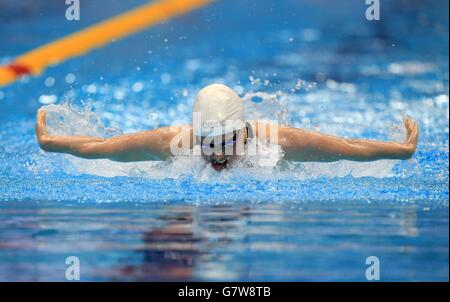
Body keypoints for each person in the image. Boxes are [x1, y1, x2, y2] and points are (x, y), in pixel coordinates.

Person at [36, 83, 419, 171]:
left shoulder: (279, 141)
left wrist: (399, 150)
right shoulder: (176, 142)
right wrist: (53, 143)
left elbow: (347, 147)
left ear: (244, 132)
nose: (218, 155)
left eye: (226, 143)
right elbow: (101, 147)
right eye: (209, 145)